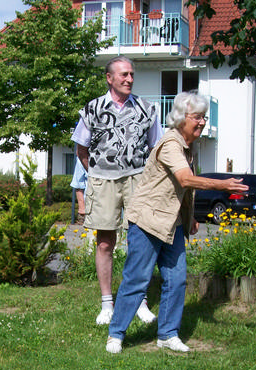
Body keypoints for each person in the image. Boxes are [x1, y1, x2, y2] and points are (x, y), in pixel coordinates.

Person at [105, 92, 249, 354]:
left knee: (176, 279)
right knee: (137, 279)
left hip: (172, 223)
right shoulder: (171, 143)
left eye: (204, 117)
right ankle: (116, 335)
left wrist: (190, 216)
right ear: (182, 118)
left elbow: (179, 190)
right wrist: (222, 184)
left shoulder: (187, 146)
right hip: (149, 220)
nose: (202, 122)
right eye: (197, 117)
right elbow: (184, 180)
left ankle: (167, 334)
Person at [72, 56, 163, 325]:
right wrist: (97, 173)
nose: (129, 79)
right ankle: (107, 304)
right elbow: (81, 148)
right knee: (104, 243)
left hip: (137, 180)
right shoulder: (92, 109)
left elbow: (156, 150)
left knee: (141, 242)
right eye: (123, 74)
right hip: (103, 181)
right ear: (109, 78)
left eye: (132, 74)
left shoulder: (147, 109)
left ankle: (140, 301)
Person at [70, 157, 87, 225]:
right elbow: (78, 185)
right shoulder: (82, 157)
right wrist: (82, 209)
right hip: (90, 207)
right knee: (91, 234)